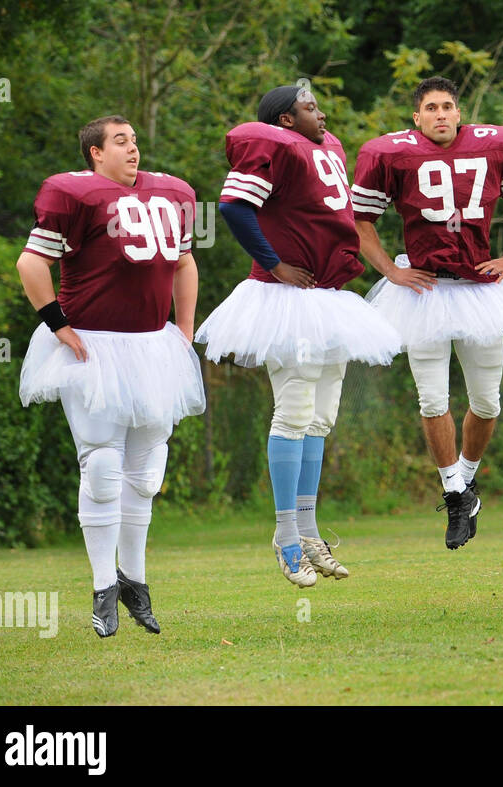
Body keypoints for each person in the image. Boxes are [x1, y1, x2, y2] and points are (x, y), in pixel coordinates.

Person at [196, 85, 403, 587]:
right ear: (285, 120)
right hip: (284, 298)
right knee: (292, 412)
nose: (323, 113)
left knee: (320, 417)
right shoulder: (275, 146)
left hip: (326, 296)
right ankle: (286, 535)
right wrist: (273, 263)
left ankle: (309, 530)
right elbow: (232, 207)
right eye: (310, 107)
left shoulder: (325, 147)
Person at [17, 115, 203, 636]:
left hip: (151, 343)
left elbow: (185, 263)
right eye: (120, 141)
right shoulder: (74, 194)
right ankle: (103, 587)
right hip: (94, 345)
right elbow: (30, 264)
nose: (133, 148)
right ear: (95, 154)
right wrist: (57, 326)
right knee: (101, 468)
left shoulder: (171, 192)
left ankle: (135, 582)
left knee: (146, 474)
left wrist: (184, 330)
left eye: (135, 140)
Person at [353, 76, 503, 549]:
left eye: (448, 106)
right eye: (431, 108)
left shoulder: (499, 144)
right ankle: (454, 497)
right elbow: (359, 221)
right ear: (416, 118)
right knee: (432, 400)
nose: (441, 114)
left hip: (479, 287)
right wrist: (390, 272)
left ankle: (467, 477)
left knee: (487, 403)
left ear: (459, 113)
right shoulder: (389, 153)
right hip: (423, 288)